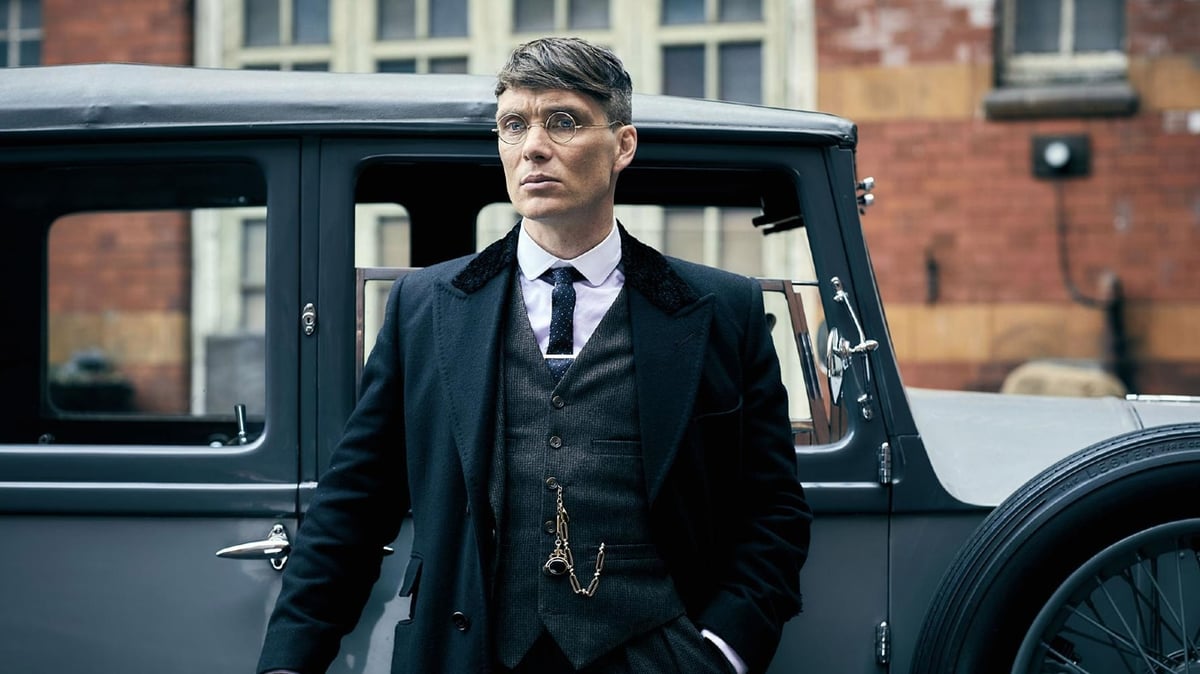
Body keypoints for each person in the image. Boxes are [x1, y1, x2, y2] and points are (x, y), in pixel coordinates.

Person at [257, 36, 811, 674]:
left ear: (623, 145)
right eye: (513, 125)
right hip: (474, 653)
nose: (533, 147)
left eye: (564, 121)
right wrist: (289, 659)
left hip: (659, 656)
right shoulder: (425, 305)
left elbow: (773, 509)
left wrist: (724, 649)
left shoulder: (721, 310)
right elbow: (354, 501)